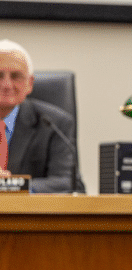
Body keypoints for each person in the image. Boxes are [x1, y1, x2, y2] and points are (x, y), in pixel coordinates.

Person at [0, 39, 85, 192]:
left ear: (30, 83)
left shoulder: (54, 123)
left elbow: (68, 182)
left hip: (28, 214)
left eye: (16, 76)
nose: (6, 84)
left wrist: (12, 186)